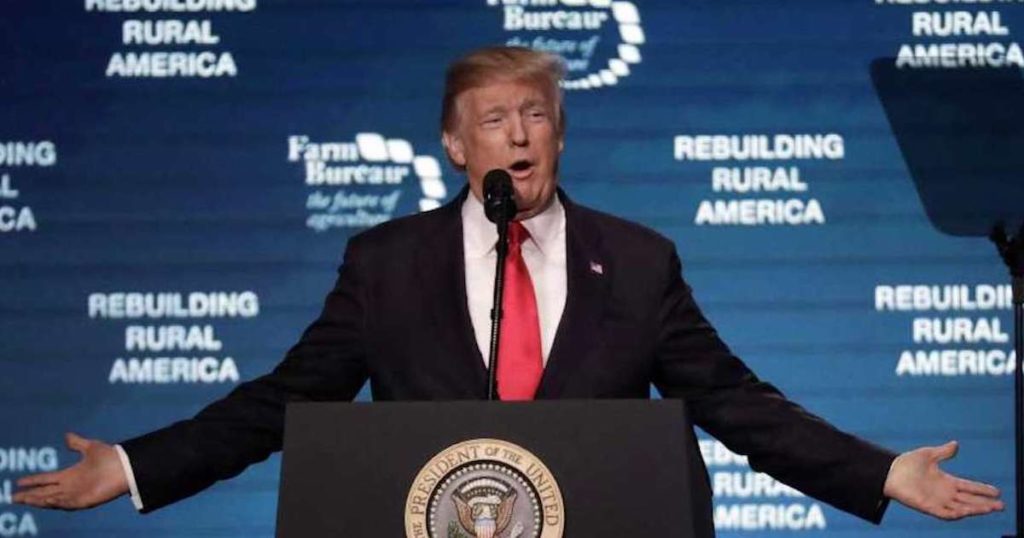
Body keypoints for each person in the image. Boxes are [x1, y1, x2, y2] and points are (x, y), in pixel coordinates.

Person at [14, 46, 1004, 526]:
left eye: (536, 114)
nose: (520, 134)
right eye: (494, 119)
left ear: (562, 133)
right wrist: (136, 467)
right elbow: (287, 401)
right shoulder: (386, 263)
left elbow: (734, 401)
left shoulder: (639, 258)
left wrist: (880, 472)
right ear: (452, 145)